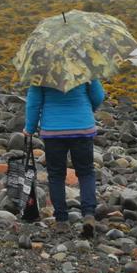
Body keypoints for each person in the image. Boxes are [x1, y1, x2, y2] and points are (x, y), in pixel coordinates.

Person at [23, 80, 105, 238]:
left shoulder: (41, 71)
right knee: (86, 172)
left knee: (56, 175)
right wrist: (87, 109)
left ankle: (62, 220)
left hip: (54, 131)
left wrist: (30, 128)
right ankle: (88, 215)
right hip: (82, 127)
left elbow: (34, 103)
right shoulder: (84, 66)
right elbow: (98, 96)